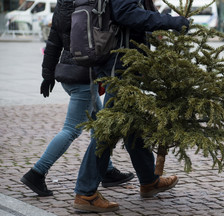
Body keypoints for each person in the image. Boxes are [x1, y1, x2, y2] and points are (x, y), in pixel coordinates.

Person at [72, 0, 189, 213]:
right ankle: (86, 192)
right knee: (109, 128)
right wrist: (170, 22)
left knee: (131, 123)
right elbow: (127, 13)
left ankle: (148, 180)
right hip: (120, 66)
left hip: (124, 64)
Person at [20, 0, 134, 197]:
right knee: (71, 129)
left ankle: (106, 170)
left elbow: (54, 39)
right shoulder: (92, 3)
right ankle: (36, 173)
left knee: (99, 125)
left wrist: (48, 75)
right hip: (83, 75)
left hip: (69, 71)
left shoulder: (64, 3)